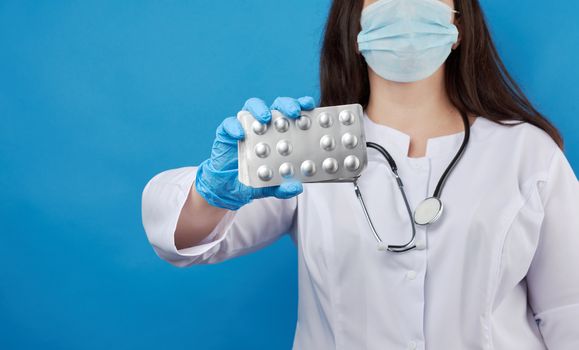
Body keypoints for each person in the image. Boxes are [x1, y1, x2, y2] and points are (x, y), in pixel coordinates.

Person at [141, 0, 579, 348]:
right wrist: (211, 196)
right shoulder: (308, 147)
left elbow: (569, 309)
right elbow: (186, 247)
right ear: (356, 27)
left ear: (458, 25)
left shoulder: (526, 151)